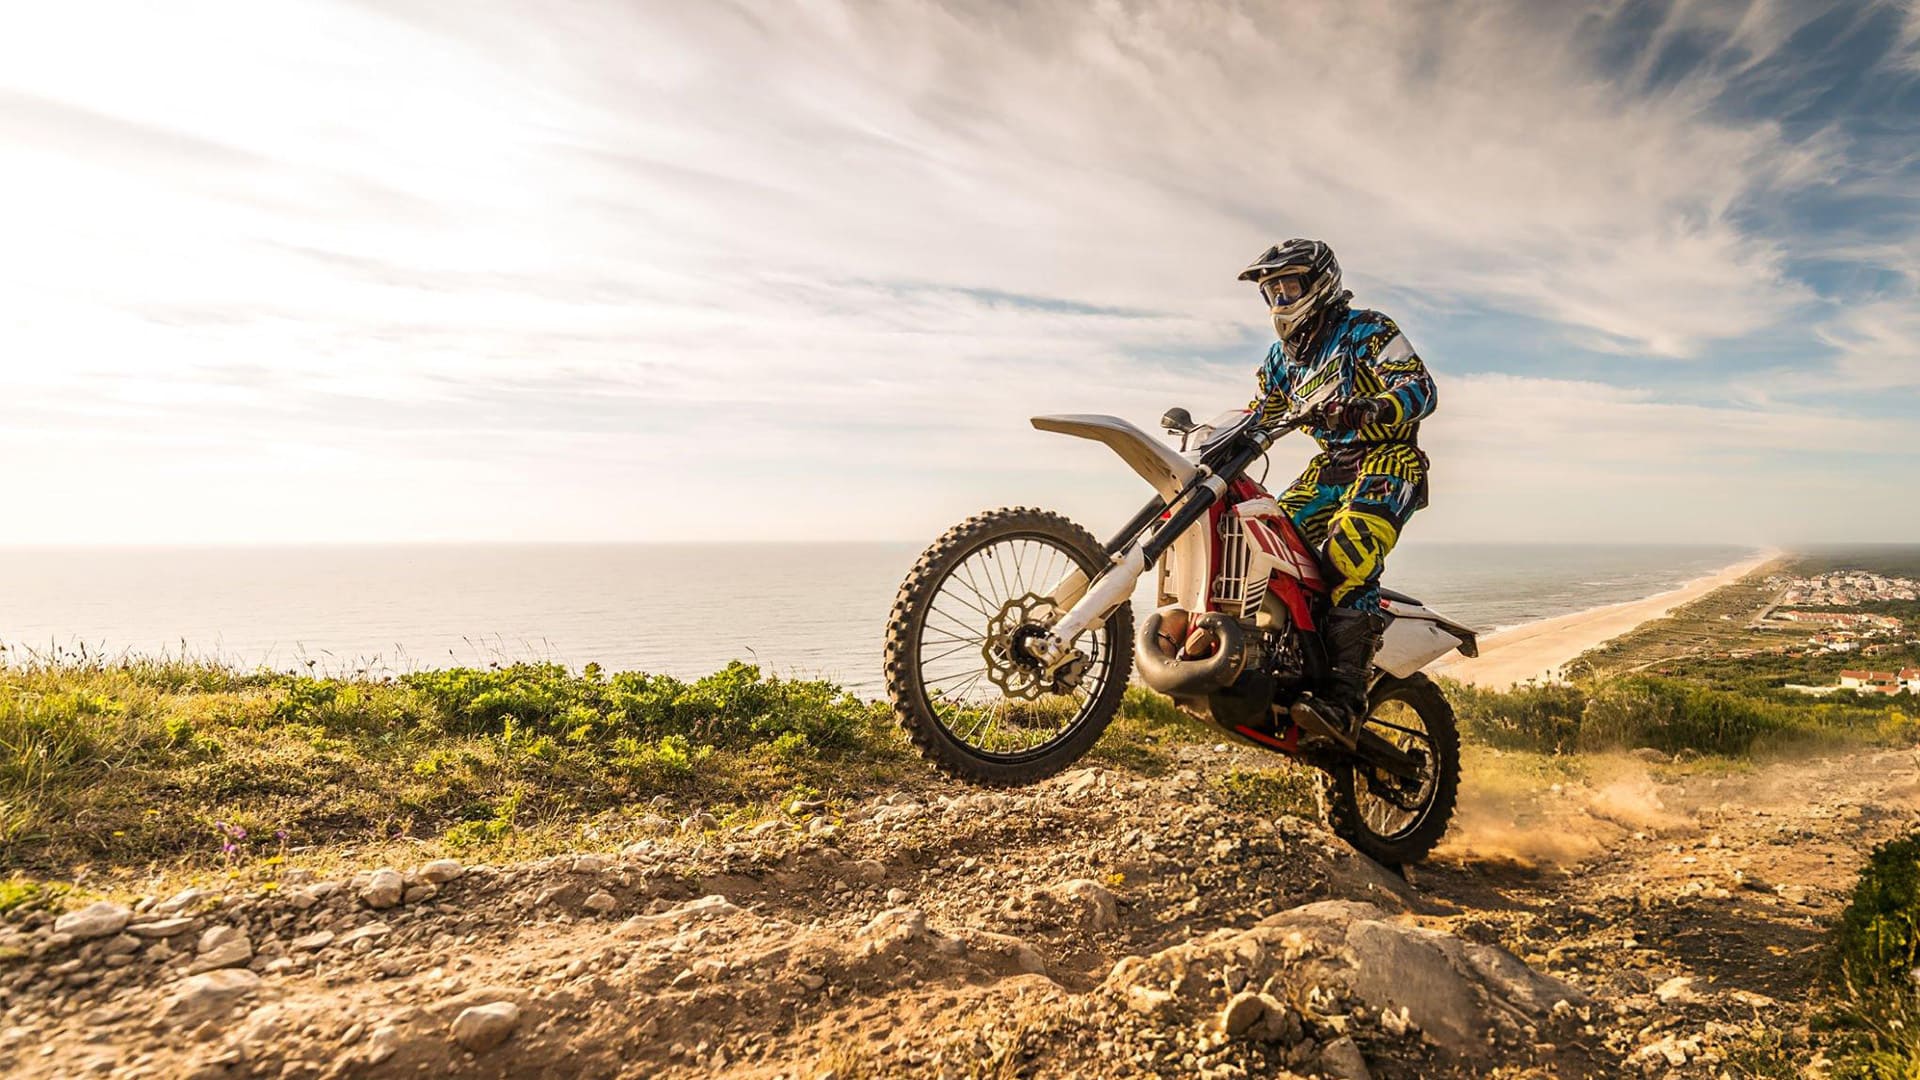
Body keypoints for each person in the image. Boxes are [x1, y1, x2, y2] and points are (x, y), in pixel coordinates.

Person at [1240, 239, 1437, 741]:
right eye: (1272, 290)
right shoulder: (1280, 360)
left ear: (1319, 282)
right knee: (1261, 544)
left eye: (1289, 285)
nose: (1281, 298)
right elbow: (1258, 411)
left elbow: (1421, 388)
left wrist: (1371, 407)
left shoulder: (1367, 329)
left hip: (1388, 458)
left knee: (1348, 552)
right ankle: (1280, 666)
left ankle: (1345, 699)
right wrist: (1217, 435)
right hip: (1327, 468)